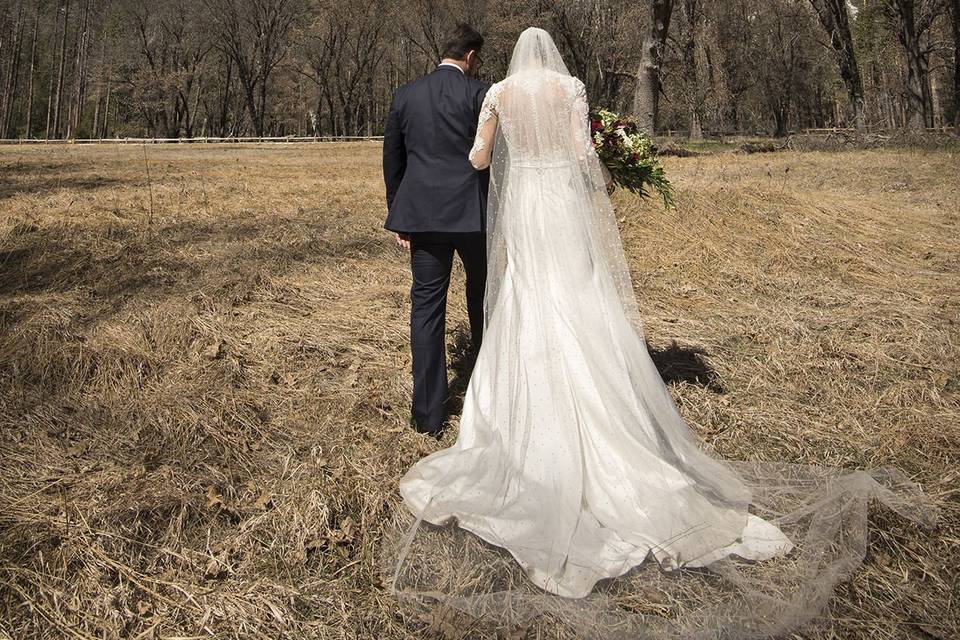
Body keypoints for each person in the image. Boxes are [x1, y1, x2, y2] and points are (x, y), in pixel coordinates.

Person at [384, 27, 939, 638]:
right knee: (572, 298)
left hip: (488, 212)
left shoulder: (476, 94)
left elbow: (464, 156)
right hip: (546, 211)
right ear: (474, 56)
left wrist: (441, 186)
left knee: (474, 304)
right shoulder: (554, 89)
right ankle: (596, 400)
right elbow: (577, 153)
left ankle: (448, 408)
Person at [383, 23, 490, 437]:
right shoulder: (480, 94)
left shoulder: (406, 94)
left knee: (426, 308)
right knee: (483, 299)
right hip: (473, 216)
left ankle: (427, 415)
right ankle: (488, 398)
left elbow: (393, 159)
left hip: (423, 216)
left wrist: (400, 212)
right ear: (470, 57)